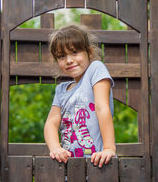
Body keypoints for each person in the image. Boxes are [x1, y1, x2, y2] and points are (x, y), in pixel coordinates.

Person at [44, 24, 116, 168]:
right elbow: (51, 123)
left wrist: (109, 148)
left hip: (99, 162)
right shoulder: (61, 90)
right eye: (62, 56)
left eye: (74, 52)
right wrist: (56, 149)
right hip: (68, 166)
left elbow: (102, 108)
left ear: (89, 52)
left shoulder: (95, 70)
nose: (69, 60)